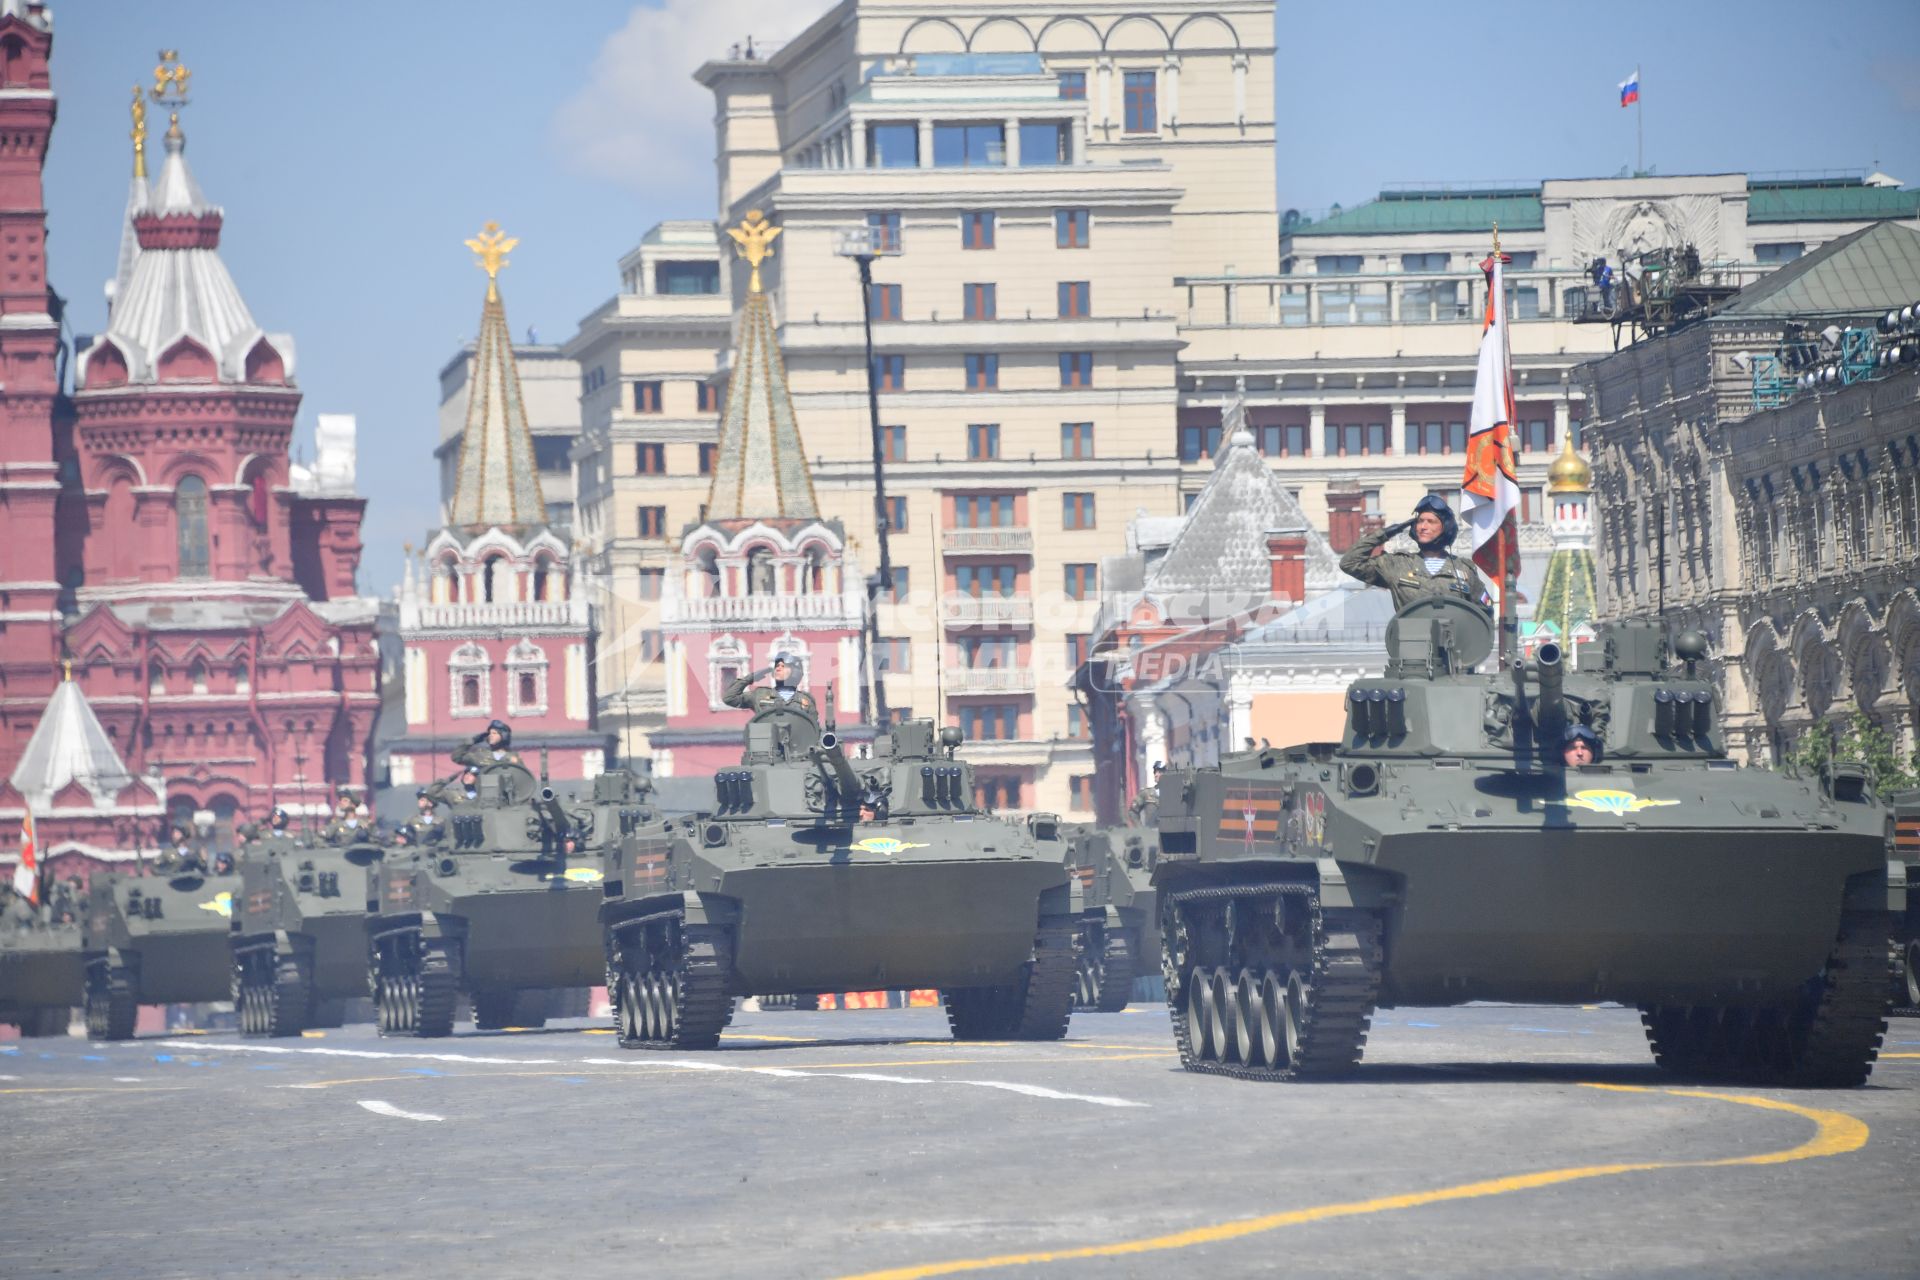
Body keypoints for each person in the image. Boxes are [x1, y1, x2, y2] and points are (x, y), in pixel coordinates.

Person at [1338, 495, 1494, 615]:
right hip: (1411, 650)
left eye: (1431, 522)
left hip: (1454, 652)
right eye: (1419, 521)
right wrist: (1386, 533)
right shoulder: (1396, 565)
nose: (1423, 527)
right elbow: (1349, 563)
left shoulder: (1463, 569)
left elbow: (1484, 612)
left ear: (1445, 528)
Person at [721, 653, 818, 719]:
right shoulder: (760, 695)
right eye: (777, 666)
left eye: (783, 666)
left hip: (797, 748)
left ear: (795, 672)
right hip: (766, 747)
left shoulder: (805, 701)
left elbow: (813, 730)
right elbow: (729, 698)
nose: (778, 669)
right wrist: (750, 678)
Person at [452, 719, 523, 771]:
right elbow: (457, 757)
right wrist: (472, 741)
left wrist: (517, 763)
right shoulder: (481, 755)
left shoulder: (513, 757)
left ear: (504, 736)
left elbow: (523, 777)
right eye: (490, 733)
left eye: (494, 733)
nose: (491, 735)